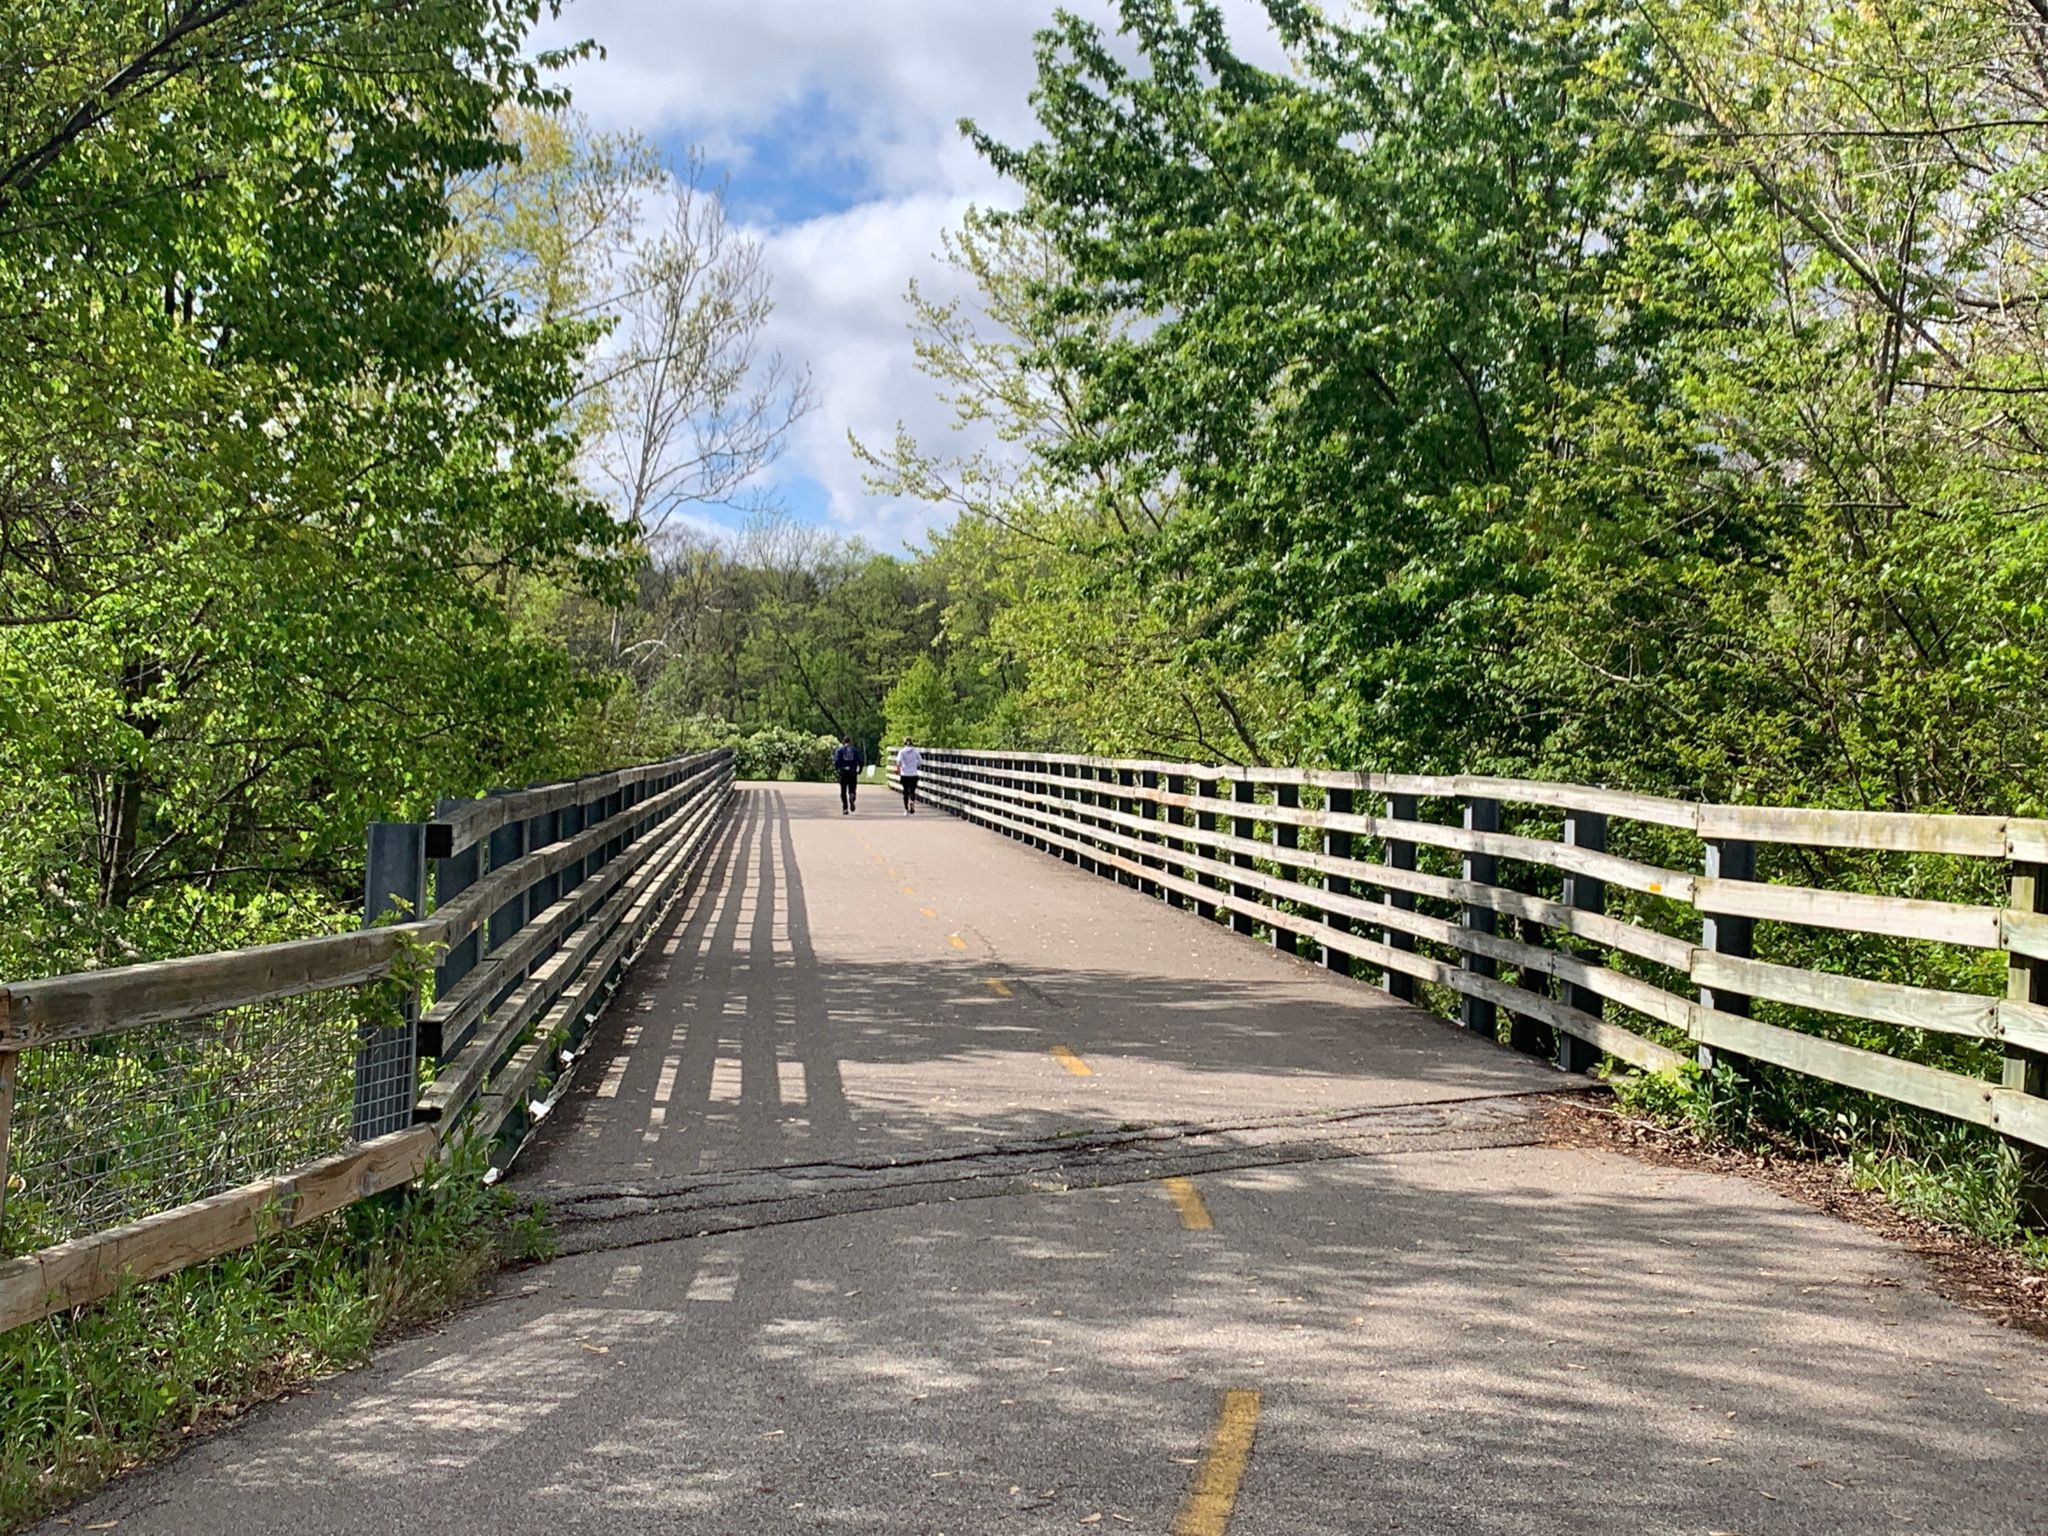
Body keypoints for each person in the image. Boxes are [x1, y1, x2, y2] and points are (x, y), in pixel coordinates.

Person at [832, 736, 863, 815]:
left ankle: (845, 808)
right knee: (852, 788)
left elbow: (836, 761)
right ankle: (852, 796)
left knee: (843, 791)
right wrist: (860, 770)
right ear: (850, 742)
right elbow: (861, 761)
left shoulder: (840, 750)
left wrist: (837, 769)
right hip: (852, 772)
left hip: (843, 773)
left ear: (843, 742)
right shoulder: (855, 751)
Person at [896, 737, 923, 814]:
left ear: (904, 743)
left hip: (905, 774)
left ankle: (906, 809)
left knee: (905, 792)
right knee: (912, 791)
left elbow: (899, 762)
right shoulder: (915, 751)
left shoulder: (902, 752)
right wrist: (915, 765)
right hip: (913, 774)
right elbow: (921, 761)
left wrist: (902, 767)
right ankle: (912, 801)